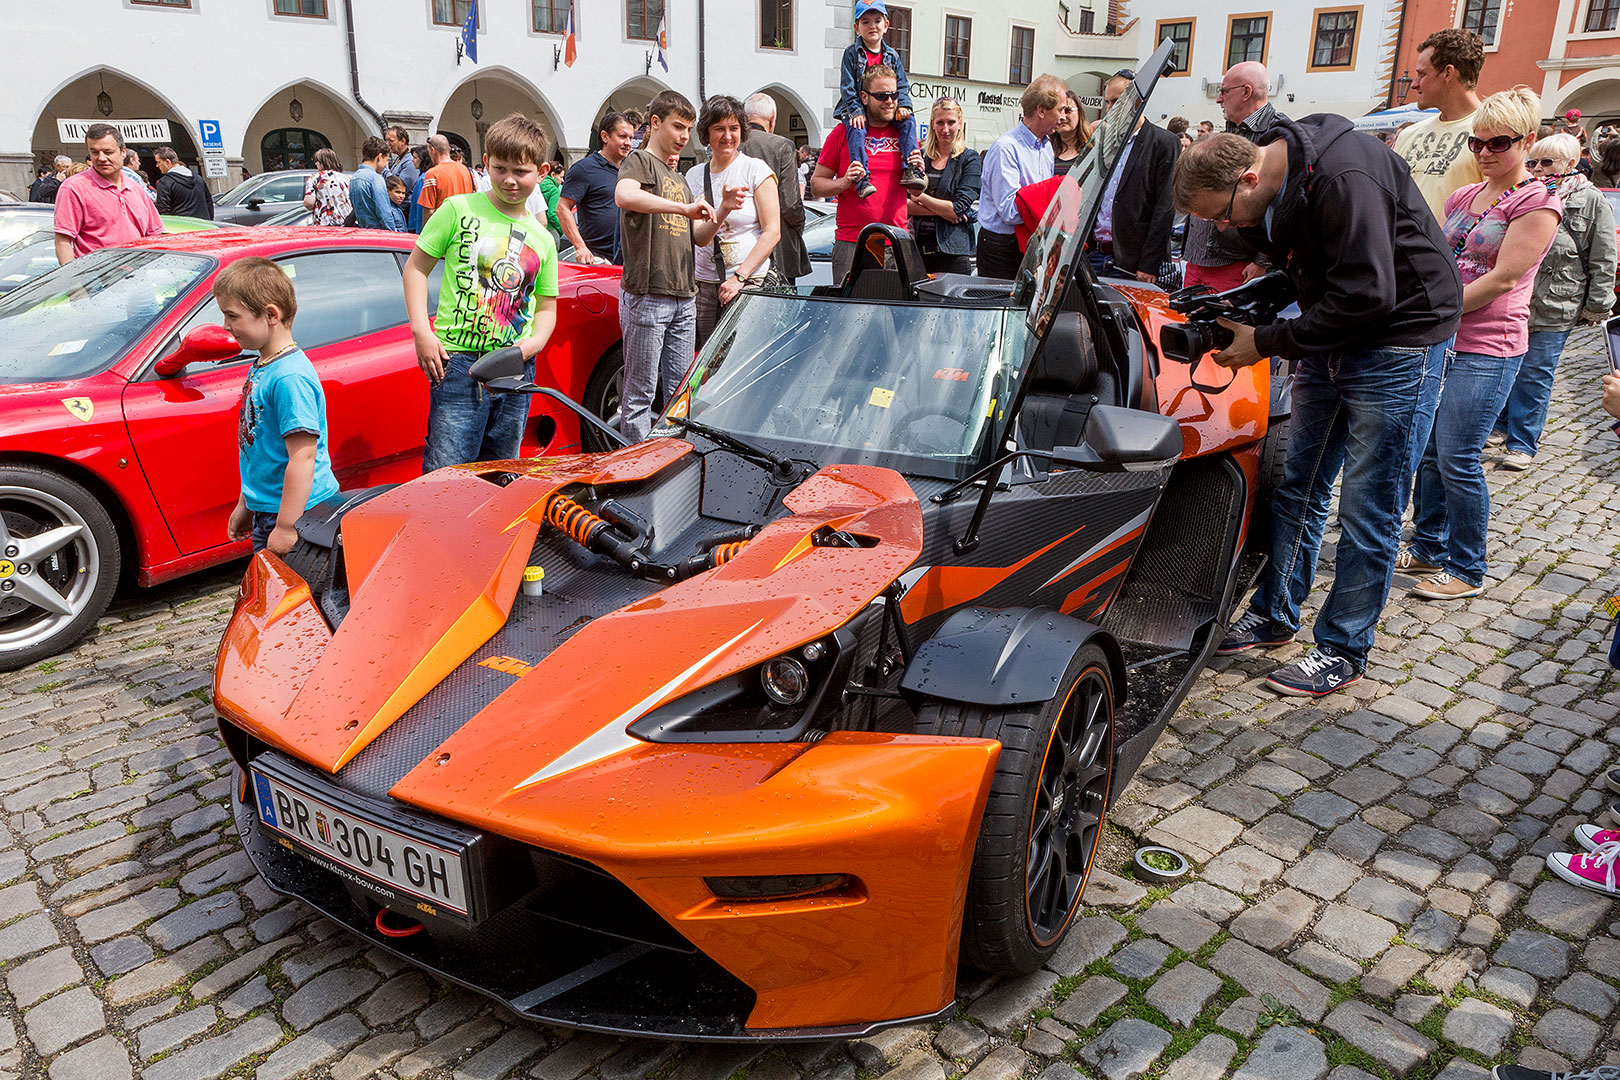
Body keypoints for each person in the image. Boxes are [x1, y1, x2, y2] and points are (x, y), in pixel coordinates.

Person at [1180, 121, 1462, 697]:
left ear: (1249, 176)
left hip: (1399, 339)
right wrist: (1254, 297)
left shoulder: (1343, 175)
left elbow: (1366, 292)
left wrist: (1263, 342)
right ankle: (1276, 613)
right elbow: (1320, 266)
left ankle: (1342, 648)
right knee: (1299, 486)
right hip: (1337, 334)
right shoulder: (1290, 179)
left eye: (1223, 215)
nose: (1223, 228)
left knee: (1368, 507)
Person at [1403, 89, 1560, 602]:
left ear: (1527, 140)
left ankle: (1467, 566)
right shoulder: (1461, 198)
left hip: (1490, 344)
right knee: (1427, 450)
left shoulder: (1537, 202)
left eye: (1499, 142)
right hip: (1443, 337)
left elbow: (1502, 279)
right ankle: (1428, 546)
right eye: (1477, 142)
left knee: (1458, 456)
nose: (1485, 151)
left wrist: (1431, 311)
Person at [403, 113, 560, 473]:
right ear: (486, 162)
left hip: (514, 365)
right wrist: (421, 332)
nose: (509, 180)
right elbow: (415, 268)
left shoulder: (543, 239)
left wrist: (530, 347)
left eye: (521, 172)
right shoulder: (458, 209)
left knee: (501, 471)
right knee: (448, 473)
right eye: (501, 168)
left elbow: (546, 308)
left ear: (541, 171)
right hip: (456, 362)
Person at [1494, 132, 1616, 470]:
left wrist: (1597, 305)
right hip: (1516, 298)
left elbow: (1603, 257)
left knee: (1535, 373)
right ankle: (1500, 425)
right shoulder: (1525, 193)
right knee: (1507, 365)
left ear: (1570, 163)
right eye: (1533, 162)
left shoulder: (1589, 199)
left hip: (1558, 302)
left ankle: (1522, 443)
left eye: (1547, 162)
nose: (1539, 169)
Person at [220, 256, 340, 557]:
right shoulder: (263, 365)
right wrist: (246, 503)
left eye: (232, 316)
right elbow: (260, 447)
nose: (226, 325)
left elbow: (303, 456)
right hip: (269, 510)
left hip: (300, 515)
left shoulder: (290, 378)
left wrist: (287, 527)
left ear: (271, 314)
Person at [615, 91, 715, 442]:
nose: (684, 135)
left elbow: (698, 237)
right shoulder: (641, 160)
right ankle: (635, 467)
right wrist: (683, 210)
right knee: (640, 394)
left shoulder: (680, 178)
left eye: (688, 128)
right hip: (648, 292)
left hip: (684, 295)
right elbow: (624, 196)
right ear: (654, 123)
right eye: (678, 126)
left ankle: (672, 460)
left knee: (678, 394)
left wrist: (726, 210)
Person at [686, 95, 781, 347]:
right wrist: (725, 208)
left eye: (734, 128)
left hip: (749, 282)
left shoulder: (756, 169)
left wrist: (739, 278)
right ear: (707, 132)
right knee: (707, 361)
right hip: (704, 283)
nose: (727, 136)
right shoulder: (694, 175)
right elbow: (699, 237)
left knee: (743, 358)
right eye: (719, 129)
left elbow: (773, 232)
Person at [811, 66, 917, 284]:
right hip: (853, 242)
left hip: (895, 241)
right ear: (864, 97)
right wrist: (843, 182)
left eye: (894, 95)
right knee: (850, 315)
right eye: (881, 96)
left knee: (892, 314)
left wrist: (919, 172)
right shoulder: (844, 132)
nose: (889, 101)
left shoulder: (904, 133)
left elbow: (917, 189)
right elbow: (816, 185)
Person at [1183, 61, 1281, 292]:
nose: (1218, 99)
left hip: (1236, 262)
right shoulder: (1233, 129)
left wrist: (1263, 261)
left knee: (1226, 326)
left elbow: (1281, 202)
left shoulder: (1277, 133)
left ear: (1247, 92)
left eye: (1224, 91)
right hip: (1199, 257)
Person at [1090, 73, 1180, 283]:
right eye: (1107, 102)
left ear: (1138, 100)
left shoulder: (1164, 143)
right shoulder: (1103, 141)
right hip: (1094, 255)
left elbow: (1165, 208)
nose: (1111, 108)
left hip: (1133, 263)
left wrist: (1149, 264)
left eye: (1117, 101)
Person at [976, 74, 1065, 279]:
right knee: (999, 309)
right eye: (1060, 109)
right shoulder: (1006, 148)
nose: (1063, 117)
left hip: (1030, 242)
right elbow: (1009, 211)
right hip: (1001, 248)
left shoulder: (1046, 148)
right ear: (1041, 110)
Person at [835, 1, 926, 198]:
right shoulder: (851, 53)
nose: (872, 26)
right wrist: (856, 110)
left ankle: (911, 167)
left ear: (886, 25)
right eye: (865, 22)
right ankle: (861, 176)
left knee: (908, 120)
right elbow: (847, 87)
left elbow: (901, 84)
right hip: (857, 107)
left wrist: (903, 105)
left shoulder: (892, 55)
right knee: (856, 128)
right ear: (857, 27)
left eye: (877, 21)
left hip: (884, 107)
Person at [1394, 28, 1486, 221]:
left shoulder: (1493, 136)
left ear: (1448, 73)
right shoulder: (1408, 134)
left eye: (1421, 74)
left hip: (1453, 250)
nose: (1414, 84)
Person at [52, 123, 162, 263]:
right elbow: (63, 242)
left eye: (108, 152)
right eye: (95, 152)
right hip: (95, 279)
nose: (101, 158)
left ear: (123, 152)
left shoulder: (136, 188)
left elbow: (155, 236)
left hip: (138, 277)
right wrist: (77, 284)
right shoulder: (73, 187)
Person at [741, 92, 812, 285]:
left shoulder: (730, 144)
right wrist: (798, 225)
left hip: (736, 244)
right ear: (772, 119)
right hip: (775, 247)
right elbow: (790, 203)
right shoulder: (781, 146)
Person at [907, 96, 981, 276]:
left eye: (951, 122)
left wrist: (920, 196)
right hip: (916, 250)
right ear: (932, 123)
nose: (945, 129)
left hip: (953, 253)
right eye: (940, 122)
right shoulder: (920, 157)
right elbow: (903, 205)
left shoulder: (969, 159)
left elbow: (957, 209)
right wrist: (946, 211)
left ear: (960, 123)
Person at [560, 112, 634, 266]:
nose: (628, 143)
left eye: (631, 138)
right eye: (622, 136)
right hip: (598, 261)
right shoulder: (584, 168)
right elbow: (562, 208)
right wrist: (580, 247)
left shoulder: (630, 170)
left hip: (628, 259)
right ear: (605, 136)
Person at [418, 134, 476, 227]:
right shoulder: (467, 171)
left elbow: (429, 209)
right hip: (464, 226)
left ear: (433, 150)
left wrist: (426, 230)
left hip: (443, 227)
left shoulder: (432, 174)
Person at [349, 136, 400, 231]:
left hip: (364, 232)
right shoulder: (375, 179)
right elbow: (384, 213)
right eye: (387, 160)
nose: (386, 165)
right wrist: (393, 233)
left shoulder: (354, 178)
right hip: (379, 234)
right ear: (380, 156)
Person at [152, 146, 214, 219]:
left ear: (168, 162)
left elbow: (163, 211)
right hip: (204, 225)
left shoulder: (165, 182)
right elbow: (209, 204)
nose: (157, 165)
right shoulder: (198, 179)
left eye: (158, 162)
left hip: (182, 227)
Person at [301, 147, 352, 227]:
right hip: (346, 223)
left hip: (325, 224)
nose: (315, 164)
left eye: (317, 161)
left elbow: (309, 203)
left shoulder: (315, 178)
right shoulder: (346, 178)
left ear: (323, 162)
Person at [1051, 90, 1089, 178]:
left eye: (1068, 110)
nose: (1062, 117)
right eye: (1058, 111)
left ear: (1079, 113)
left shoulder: (1092, 150)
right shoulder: (1046, 149)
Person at [383, 125, 420, 193]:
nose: (387, 144)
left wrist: (384, 167)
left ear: (403, 141)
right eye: (386, 140)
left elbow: (399, 189)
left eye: (391, 141)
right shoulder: (400, 158)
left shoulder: (410, 162)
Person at [406, 146, 431, 233]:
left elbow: (421, 207)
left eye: (415, 158)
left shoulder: (423, 179)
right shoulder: (424, 177)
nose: (412, 160)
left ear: (423, 159)